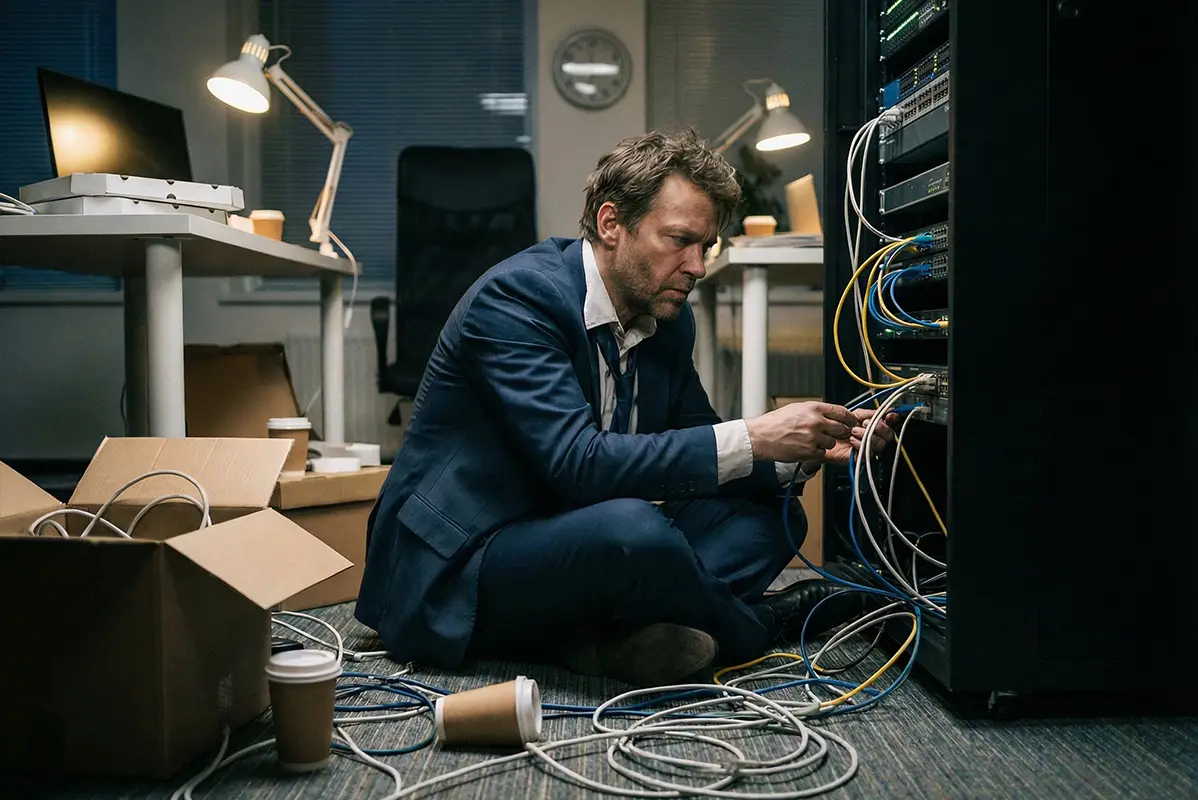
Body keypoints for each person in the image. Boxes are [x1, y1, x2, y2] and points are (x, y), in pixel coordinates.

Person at [356, 128, 893, 686]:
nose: (698, 267)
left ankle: (594, 638)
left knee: (770, 517)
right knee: (633, 531)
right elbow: (577, 463)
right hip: (466, 557)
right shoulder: (517, 299)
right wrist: (755, 435)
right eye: (680, 240)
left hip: (569, 537)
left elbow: (702, 448)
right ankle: (755, 626)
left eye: (705, 246)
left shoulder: (667, 319)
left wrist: (797, 453)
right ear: (611, 224)